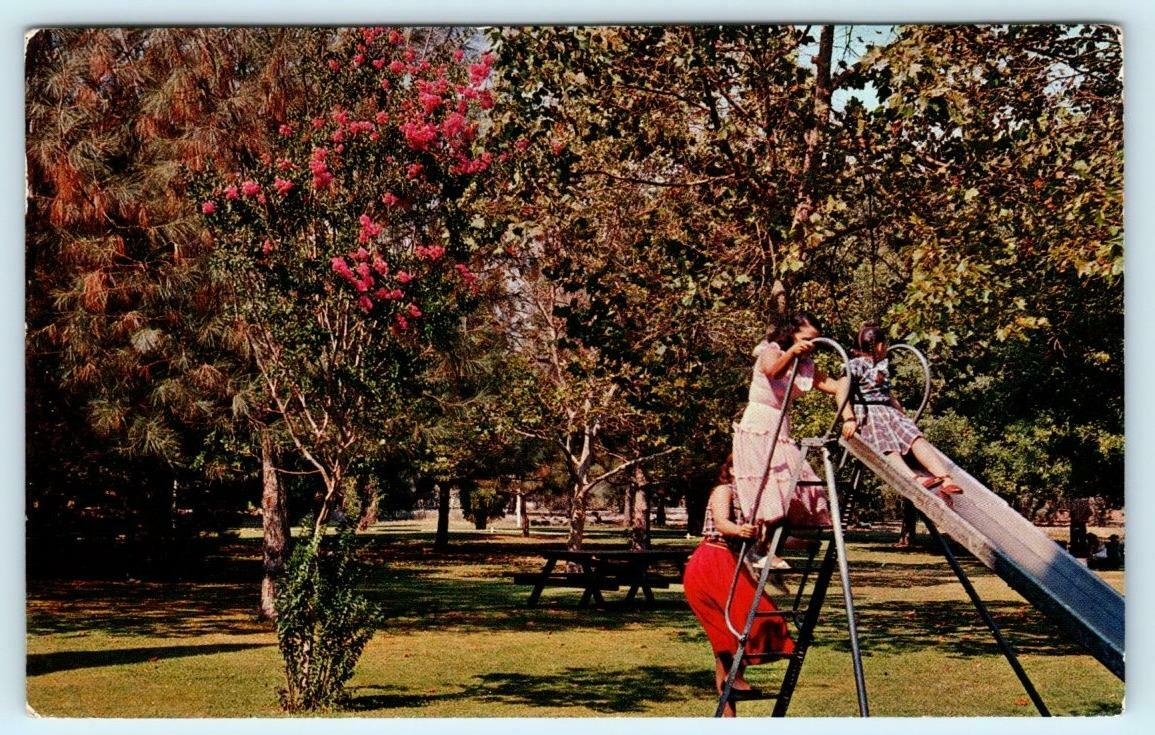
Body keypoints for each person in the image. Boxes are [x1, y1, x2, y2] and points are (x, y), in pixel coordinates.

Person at [732, 312, 854, 567]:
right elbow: (773, 371)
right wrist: (792, 353)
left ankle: (780, 542)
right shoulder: (772, 350)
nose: (811, 345)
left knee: (795, 486)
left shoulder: (806, 364)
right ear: (792, 333)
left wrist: (849, 415)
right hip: (759, 424)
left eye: (815, 341)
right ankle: (759, 547)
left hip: (781, 426)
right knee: (767, 486)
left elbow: (835, 385)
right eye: (806, 339)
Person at [683, 458, 794, 717]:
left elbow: (766, 541)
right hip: (712, 558)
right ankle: (733, 685)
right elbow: (722, 523)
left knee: (729, 635)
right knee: (750, 620)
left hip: (729, 561)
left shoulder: (752, 501)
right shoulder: (725, 490)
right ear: (731, 469)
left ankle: (729, 712)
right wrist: (740, 529)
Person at [847, 323, 962, 495]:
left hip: (889, 412)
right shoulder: (855, 365)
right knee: (886, 445)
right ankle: (913, 478)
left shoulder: (881, 367)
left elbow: (887, 394)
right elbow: (842, 391)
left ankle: (945, 478)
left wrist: (901, 413)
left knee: (915, 437)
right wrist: (848, 418)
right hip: (869, 414)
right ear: (880, 346)